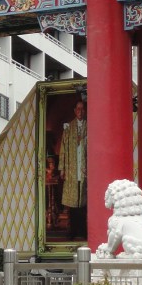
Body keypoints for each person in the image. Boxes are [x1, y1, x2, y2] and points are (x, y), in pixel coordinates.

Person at [59, 98, 87, 239]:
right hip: (71, 169)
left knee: (83, 202)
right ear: (74, 110)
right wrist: (62, 168)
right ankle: (73, 230)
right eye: (78, 109)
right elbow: (63, 149)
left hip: (85, 169)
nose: (80, 112)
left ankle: (83, 231)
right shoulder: (69, 127)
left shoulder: (90, 126)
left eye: (82, 109)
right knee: (72, 202)